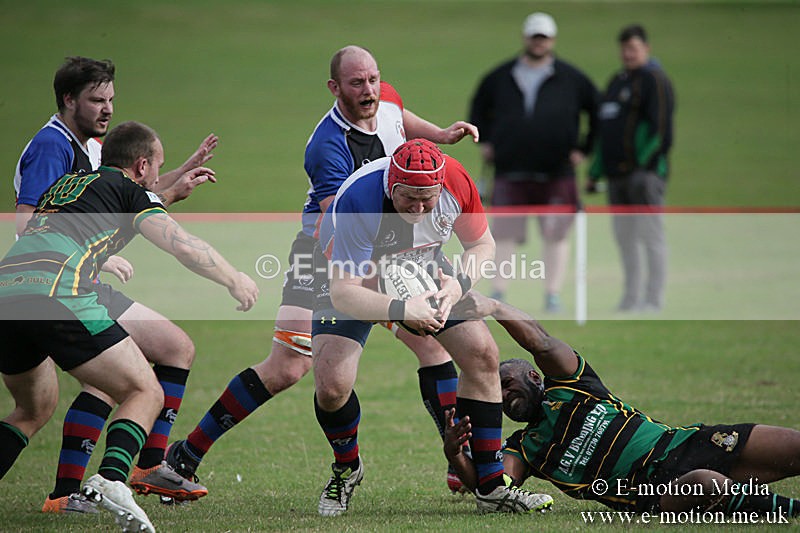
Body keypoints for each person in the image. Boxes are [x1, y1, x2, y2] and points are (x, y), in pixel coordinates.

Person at [163, 45, 480, 496]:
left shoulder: (384, 97)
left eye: (373, 79)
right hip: (327, 251)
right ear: (335, 88)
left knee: (433, 344)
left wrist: (441, 136)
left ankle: (459, 462)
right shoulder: (327, 147)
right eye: (357, 83)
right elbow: (340, 224)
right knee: (289, 366)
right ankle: (187, 454)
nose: (369, 90)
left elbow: (399, 117)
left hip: (394, 248)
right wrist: (390, 289)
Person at [0, 121, 259, 533]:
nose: (157, 175)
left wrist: (168, 192)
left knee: (32, 410)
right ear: (141, 166)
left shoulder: (71, 185)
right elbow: (180, 244)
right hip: (58, 293)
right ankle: (112, 479)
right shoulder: (129, 191)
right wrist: (233, 278)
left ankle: (132, 472)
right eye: (157, 166)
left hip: (9, 295)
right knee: (144, 390)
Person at [12, 56, 219, 513]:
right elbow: (31, 223)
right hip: (59, 284)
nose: (107, 109)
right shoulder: (52, 146)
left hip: (62, 281)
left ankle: (137, 469)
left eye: (110, 99)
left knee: (169, 349)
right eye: (96, 100)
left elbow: (127, 194)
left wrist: (176, 178)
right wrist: (100, 259)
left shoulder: (89, 147)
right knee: (117, 379)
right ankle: (86, 486)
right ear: (69, 100)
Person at [311, 138, 553, 517]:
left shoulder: (456, 181)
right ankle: (347, 467)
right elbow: (344, 293)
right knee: (331, 388)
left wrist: (458, 285)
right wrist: (401, 309)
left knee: (482, 353)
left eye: (428, 199)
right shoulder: (360, 199)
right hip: (350, 278)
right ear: (392, 185)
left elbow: (482, 245)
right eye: (409, 198)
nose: (420, 208)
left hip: (418, 265)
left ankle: (491, 488)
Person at [444, 290, 800, 517]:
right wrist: (455, 453)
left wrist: (494, 306)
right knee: (706, 484)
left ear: (534, 377)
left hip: (685, 442)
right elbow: (491, 487)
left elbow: (541, 342)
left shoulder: (572, 385)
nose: (503, 395)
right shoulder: (524, 448)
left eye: (507, 384)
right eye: (497, 392)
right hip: (650, 489)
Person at [469, 12, 598, 312]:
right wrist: (485, 141)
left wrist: (584, 149)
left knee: (556, 234)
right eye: (534, 37)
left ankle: (552, 294)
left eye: (544, 37)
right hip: (510, 168)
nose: (539, 42)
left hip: (557, 171)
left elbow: (597, 111)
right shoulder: (500, 76)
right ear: (525, 38)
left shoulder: (571, 78)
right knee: (503, 234)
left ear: (552, 40)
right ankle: (499, 291)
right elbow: (478, 108)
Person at [587, 24, 675, 312]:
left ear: (646, 49)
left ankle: (653, 298)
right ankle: (631, 297)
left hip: (644, 175)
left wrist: (644, 165)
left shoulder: (655, 80)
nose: (628, 53)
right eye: (624, 48)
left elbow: (660, 129)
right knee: (625, 238)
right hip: (616, 176)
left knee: (650, 235)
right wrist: (595, 171)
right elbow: (605, 131)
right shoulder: (617, 82)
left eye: (634, 48)